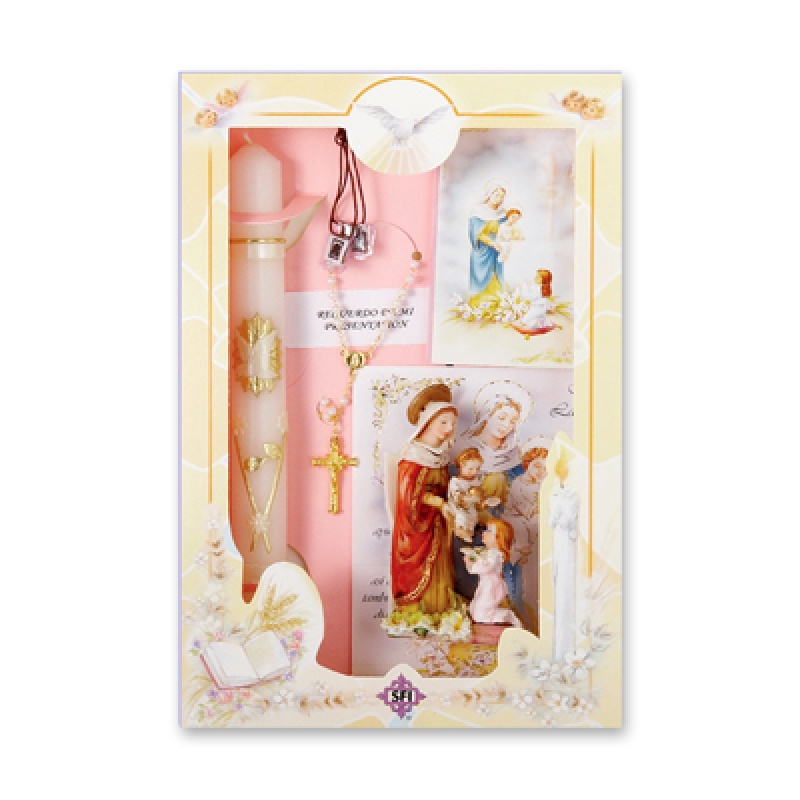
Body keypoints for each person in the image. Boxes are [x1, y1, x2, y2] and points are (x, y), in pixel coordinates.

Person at [390, 383, 459, 613]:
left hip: (438, 521)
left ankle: (440, 608)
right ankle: (419, 609)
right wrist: (438, 503)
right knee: (424, 563)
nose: (449, 428)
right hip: (417, 525)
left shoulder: (442, 454)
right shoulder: (414, 455)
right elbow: (408, 496)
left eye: (453, 424)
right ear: (428, 421)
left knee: (442, 562)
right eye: (443, 422)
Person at [462, 518, 521, 626]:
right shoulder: (489, 552)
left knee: (481, 614)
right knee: (473, 609)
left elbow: (486, 567)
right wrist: (471, 559)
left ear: (499, 537)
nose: (484, 533)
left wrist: (470, 563)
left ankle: (507, 616)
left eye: (489, 531)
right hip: (485, 584)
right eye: (485, 530)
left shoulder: (496, 555)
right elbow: (481, 562)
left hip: (492, 587)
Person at [447, 447, 499, 543]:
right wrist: (470, 498)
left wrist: (486, 501)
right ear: (461, 466)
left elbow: (480, 495)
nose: (474, 472)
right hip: (458, 507)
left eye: (477, 468)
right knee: (462, 516)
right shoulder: (456, 481)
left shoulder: (475, 481)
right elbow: (456, 496)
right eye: (470, 469)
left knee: (473, 516)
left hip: (471, 507)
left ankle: (469, 532)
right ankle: (460, 530)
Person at [469, 181, 508, 300]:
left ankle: (496, 299)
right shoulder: (478, 211)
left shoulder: (502, 213)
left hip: (496, 251)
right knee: (481, 276)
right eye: (497, 195)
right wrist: (492, 243)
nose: (499, 198)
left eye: (501, 196)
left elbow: (505, 230)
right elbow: (477, 233)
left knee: (495, 274)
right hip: (482, 250)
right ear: (489, 194)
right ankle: (479, 300)